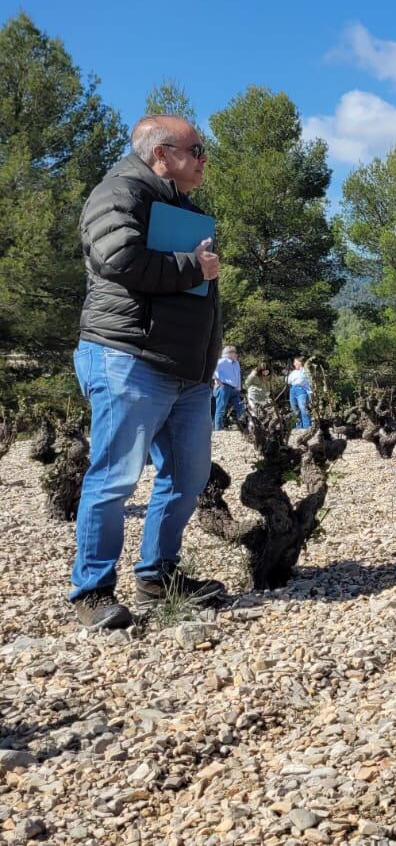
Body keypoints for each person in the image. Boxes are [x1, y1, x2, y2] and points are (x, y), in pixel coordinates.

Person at [68, 114, 226, 630]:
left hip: (184, 369)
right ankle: (91, 592)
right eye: (197, 150)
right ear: (162, 155)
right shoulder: (117, 193)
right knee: (114, 480)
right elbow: (119, 258)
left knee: (188, 477)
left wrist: (206, 364)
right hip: (126, 356)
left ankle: (158, 576)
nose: (205, 159)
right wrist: (192, 268)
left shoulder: (184, 210)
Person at [212, 345, 246, 431]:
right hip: (224, 387)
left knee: (240, 408)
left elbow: (238, 376)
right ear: (229, 353)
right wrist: (217, 380)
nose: (236, 354)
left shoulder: (237, 363)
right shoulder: (221, 361)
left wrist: (238, 388)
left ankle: (243, 427)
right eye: (235, 352)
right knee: (221, 408)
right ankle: (218, 429)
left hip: (234, 389)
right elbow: (211, 369)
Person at [286, 357, 314, 429]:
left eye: (295, 362)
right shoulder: (293, 372)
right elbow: (287, 381)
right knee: (295, 409)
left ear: (300, 362)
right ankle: (299, 427)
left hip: (301, 389)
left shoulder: (305, 371)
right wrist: (288, 375)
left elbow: (305, 381)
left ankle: (307, 427)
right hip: (293, 390)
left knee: (303, 408)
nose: (294, 364)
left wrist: (310, 394)